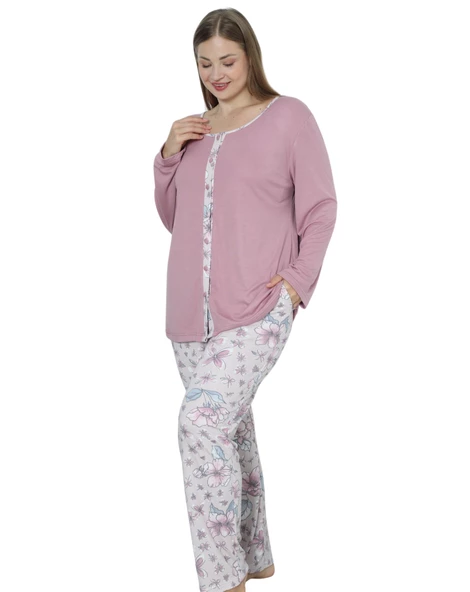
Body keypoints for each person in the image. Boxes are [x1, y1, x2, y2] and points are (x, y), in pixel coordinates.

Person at [153, 8, 338, 592]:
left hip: (259, 305)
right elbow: (175, 218)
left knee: (200, 421)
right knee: (228, 430)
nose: (217, 74)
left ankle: (222, 579)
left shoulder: (288, 117)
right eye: (205, 64)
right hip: (190, 316)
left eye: (227, 61)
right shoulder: (196, 129)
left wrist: (296, 283)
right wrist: (167, 155)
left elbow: (320, 207)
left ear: (250, 56)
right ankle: (254, 556)